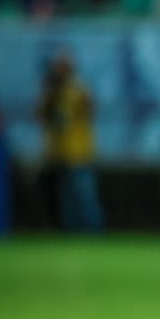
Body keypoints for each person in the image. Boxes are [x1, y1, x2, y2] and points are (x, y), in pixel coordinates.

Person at [37, 55, 103, 232]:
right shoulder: (53, 92)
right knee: (66, 196)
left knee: (85, 194)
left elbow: (91, 110)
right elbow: (42, 116)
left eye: (61, 68)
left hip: (80, 151)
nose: (58, 71)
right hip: (61, 151)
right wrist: (48, 94)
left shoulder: (79, 89)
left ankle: (93, 231)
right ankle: (71, 232)